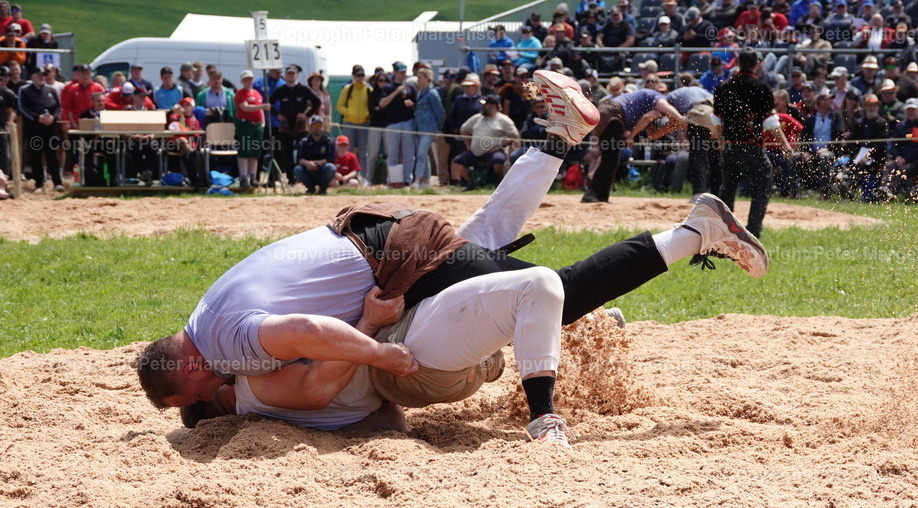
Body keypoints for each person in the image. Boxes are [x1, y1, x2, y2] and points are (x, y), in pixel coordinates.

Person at [138, 73, 768, 446]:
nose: (212, 387)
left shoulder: (227, 345)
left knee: (552, 291)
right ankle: (556, 138)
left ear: (188, 365)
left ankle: (694, 233)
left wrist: (378, 345)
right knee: (491, 238)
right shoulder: (207, 310)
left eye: (194, 390)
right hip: (381, 241)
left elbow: (304, 336)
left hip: (396, 262)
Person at [714, 49, 790, 239]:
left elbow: (716, 122)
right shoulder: (761, 87)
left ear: (738, 62)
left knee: (728, 189)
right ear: (757, 63)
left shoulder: (724, 87)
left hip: (730, 146)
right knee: (761, 188)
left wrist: (720, 142)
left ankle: (724, 229)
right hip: (752, 147)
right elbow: (771, 123)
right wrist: (786, 145)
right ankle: (754, 230)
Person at [582, 85, 683, 202]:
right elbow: (651, 114)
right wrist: (681, 119)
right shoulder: (658, 97)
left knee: (611, 159)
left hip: (607, 113)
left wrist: (668, 128)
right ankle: (591, 194)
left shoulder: (647, 102)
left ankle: (601, 196)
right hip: (613, 114)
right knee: (610, 160)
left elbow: (651, 133)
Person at [452, 94, 519, 186]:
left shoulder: (504, 120)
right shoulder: (477, 117)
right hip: (475, 151)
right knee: (457, 162)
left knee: (498, 160)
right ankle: (472, 184)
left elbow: (514, 136)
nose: (483, 107)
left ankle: (501, 184)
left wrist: (500, 146)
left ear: (493, 106)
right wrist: (468, 145)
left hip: (494, 151)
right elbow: (463, 130)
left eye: (485, 104)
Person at [270, 64, 319, 186]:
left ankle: (302, 177)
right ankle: (290, 179)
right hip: (286, 124)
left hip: (300, 124)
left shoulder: (303, 89)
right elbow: (268, 103)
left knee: (302, 150)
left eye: (293, 73)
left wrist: (307, 115)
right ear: (285, 76)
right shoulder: (281, 90)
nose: (291, 76)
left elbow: (317, 102)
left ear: (297, 75)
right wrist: (277, 114)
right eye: (289, 74)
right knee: (286, 153)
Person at [17, 66, 62, 192]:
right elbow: (22, 108)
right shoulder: (25, 90)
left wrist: (52, 117)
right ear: (32, 76)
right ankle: (39, 183)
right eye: (39, 75)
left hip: (49, 127)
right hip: (34, 128)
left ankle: (57, 182)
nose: (42, 77)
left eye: (44, 75)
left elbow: (58, 107)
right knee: (35, 155)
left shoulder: (51, 90)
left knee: (52, 155)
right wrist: (37, 118)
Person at [880, 98, 918, 199]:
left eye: (913, 109)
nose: (911, 112)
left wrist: (906, 159)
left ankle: (890, 192)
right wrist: (897, 156)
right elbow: (894, 143)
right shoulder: (901, 125)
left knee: (904, 170)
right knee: (889, 165)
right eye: (909, 110)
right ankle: (883, 189)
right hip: (901, 159)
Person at [379, 61, 417, 187]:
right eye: (400, 72)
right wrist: (396, 92)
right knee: (392, 154)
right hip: (393, 124)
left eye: (404, 72)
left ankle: (407, 180)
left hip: (408, 123)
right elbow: (382, 103)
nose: (402, 75)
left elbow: (417, 107)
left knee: (408, 154)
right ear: (395, 72)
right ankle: (393, 180)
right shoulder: (388, 88)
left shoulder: (411, 88)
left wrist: (412, 105)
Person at [234, 69, 270, 189]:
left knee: (254, 153)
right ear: (242, 81)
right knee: (244, 152)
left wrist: (263, 122)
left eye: (250, 79)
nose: (248, 82)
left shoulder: (257, 93)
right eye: (246, 80)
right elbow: (245, 107)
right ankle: (244, 177)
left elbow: (260, 111)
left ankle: (253, 177)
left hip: (257, 125)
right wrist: (262, 106)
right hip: (245, 125)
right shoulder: (240, 93)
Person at [413, 67, 444, 189]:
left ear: (428, 79)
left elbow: (440, 113)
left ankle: (417, 179)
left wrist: (437, 129)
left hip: (429, 129)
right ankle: (425, 181)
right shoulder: (420, 93)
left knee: (421, 154)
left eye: (420, 77)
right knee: (424, 155)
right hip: (420, 128)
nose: (418, 80)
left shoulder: (432, 94)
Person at [336, 65, 370, 177]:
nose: (360, 77)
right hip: (349, 122)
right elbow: (339, 106)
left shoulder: (369, 90)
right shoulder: (348, 89)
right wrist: (349, 114)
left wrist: (367, 115)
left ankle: (364, 176)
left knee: (363, 152)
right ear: (354, 76)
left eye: (362, 75)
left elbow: (371, 107)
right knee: (348, 150)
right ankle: (347, 175)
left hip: (364, 123)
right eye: (358, 75)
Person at [293, 115, 335, 195]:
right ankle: (310, 189)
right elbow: (299, 159)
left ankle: (322, 190)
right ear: (310, 127)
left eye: (320, 125)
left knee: (330, 167)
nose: (318, 128)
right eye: (315, 125)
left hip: (322, 169)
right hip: (308, 170)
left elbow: (331, 158)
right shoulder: (304, 141)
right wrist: (308, 164)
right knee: (298, 169)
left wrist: (317, 163)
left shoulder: (329, 141)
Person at [0, 64, 14, 177]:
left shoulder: (8, 93)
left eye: (6, 76)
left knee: (4, 156)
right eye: (1, 76)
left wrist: (9, 123)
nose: (4, 79)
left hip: (1, 128)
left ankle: (4, 180)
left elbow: (11, 111)